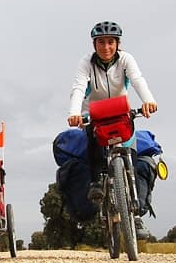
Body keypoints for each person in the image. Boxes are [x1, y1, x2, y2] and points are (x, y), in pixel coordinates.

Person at [67, 20, 158, 239]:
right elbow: (79, 87)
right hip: (95, 112)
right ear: (94, 44)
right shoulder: (86, 62)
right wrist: (75, 112)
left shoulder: (126, 59)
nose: (105, 47)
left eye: (110, 42)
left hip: (120, 110)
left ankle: (134, 214)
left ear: (118, 43)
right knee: (92, 142)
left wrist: (148, 100)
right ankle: (96, 181)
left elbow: (137, 80)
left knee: (132, 154)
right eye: (100, 42)